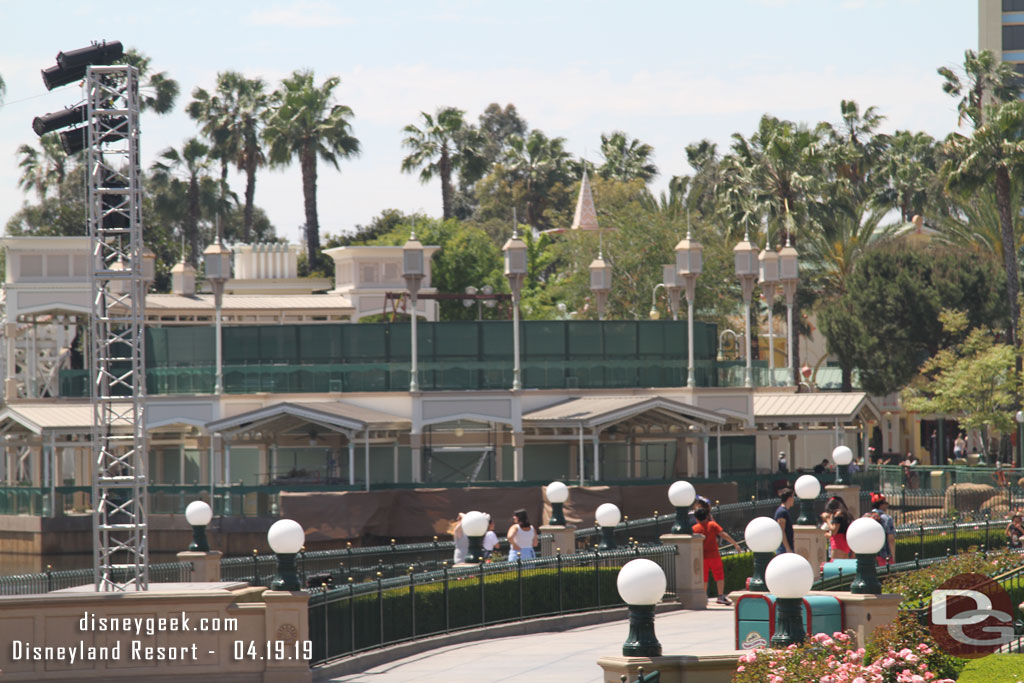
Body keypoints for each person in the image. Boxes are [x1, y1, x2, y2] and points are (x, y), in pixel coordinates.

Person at [691, 506, 741, 605]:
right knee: (719, 576)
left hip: (702, 557)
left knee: (704, 578)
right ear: (706, 516)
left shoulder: (694, 528)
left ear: (696, 518)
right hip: (714, 555)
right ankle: (720, 596)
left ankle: (704, 597)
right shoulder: (712, 525)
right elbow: (723, 534)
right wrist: (735, 544)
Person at [870, 493, 896, 566]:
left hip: (869, 556)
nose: (886, 506)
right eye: (885, 503)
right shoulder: (887, 518)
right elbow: (891, 539)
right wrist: (893, 557)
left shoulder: (866, 517)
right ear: (881, 505)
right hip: (884, 556)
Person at [774, 487, 795, 554]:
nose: (794, 499)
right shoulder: (782, 512)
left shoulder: (785, 511)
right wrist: (788, 549)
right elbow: (781, 531)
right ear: (789, 498)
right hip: (783, 549)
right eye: (793, 497)